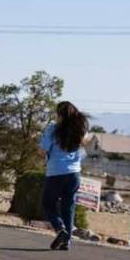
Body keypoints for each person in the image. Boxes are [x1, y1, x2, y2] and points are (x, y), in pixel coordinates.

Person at [39, 101, 88, 250]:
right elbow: (83, 150)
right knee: (68, 207)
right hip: (74, 174)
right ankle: (67, 241)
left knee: (48, 203)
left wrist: (46, 156)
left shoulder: (53, 129)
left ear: (60, 115)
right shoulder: (79, 130)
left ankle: (60, 229)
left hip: (56, 173)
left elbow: (42, 149)